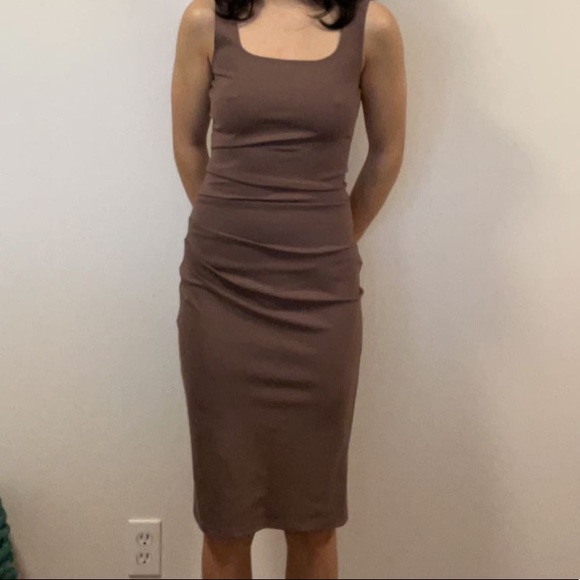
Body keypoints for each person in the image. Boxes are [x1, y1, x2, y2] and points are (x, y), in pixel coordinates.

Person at [171, 0, 406, 576]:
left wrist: (330, 239)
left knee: (314, 517)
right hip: (220, 294)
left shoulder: (373, 27)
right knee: (226, 518)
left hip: (321, 300)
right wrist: (233, 231)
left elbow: (387, 152)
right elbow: (188, 145)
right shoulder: (205, 20)